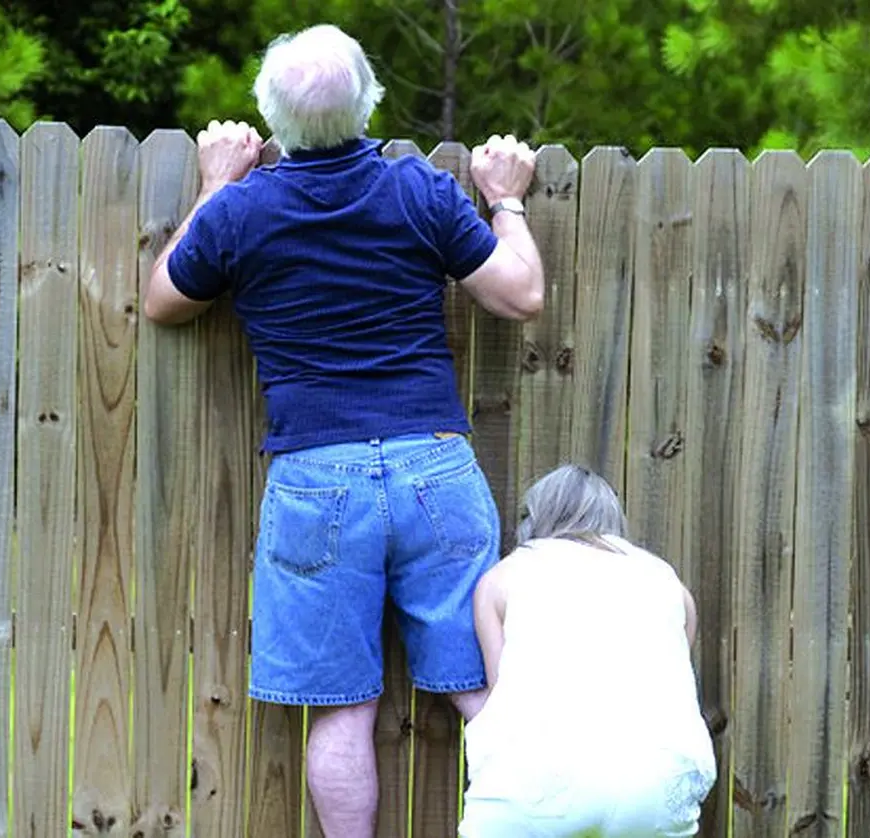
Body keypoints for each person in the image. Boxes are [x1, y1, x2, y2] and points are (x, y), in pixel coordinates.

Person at [141, 23, 544, 838]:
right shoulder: (420, 192)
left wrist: (217, 182)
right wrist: (505, 199)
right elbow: (520, 294)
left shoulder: (242, 213)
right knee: (483, 692)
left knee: (340, 710)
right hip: (434, 466)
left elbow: (161, 301)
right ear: (371, 103)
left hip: (315, 476)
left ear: (267, 113)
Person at [461, 464, 717, 837]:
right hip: (661, 785)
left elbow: (505, 694)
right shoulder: (668, 582)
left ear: (535, 517)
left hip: (539, 788)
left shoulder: (502, 578)